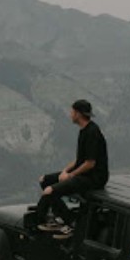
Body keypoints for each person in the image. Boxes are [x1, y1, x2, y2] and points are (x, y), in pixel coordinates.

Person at [36, 99, 109, 239]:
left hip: (94, 178)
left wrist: (71, 176)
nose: (70, 114)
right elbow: (79, 160)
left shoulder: (92, 132)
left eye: (72, 111)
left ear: (78, 114)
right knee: (44, 180)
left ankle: (69, 223)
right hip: (84, 173)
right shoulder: (84, 130)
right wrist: (65, 171)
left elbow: (90, 163)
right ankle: (62, 218)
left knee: (49, 191)